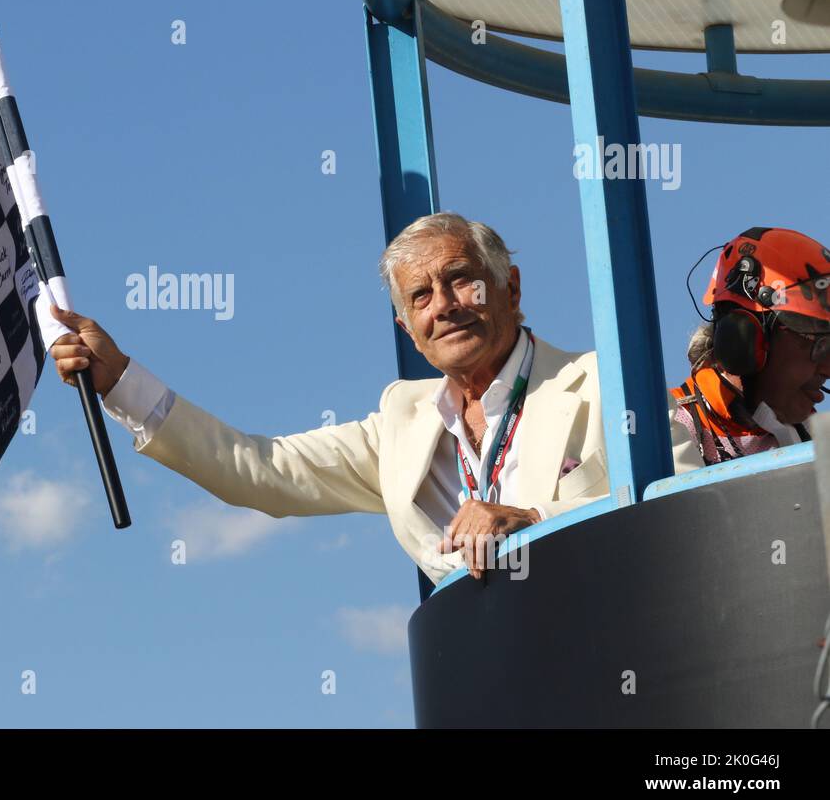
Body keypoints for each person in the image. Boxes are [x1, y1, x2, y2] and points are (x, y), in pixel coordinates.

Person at [48, 212, 614, 582]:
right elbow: (259, 469)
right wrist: (119, 378)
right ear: (408, 329)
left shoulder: (603, 385)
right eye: (421, 296)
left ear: (510, 288)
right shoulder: (401, 421)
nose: (443, 305)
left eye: (462, 278)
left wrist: (537, 518)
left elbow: (675, 496)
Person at [671, 227, 830, 467]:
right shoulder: (666, 431)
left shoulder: (816, 441)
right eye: (820, 344)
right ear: (745, 337)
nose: (827, 369)